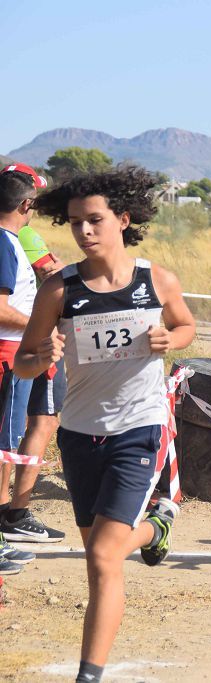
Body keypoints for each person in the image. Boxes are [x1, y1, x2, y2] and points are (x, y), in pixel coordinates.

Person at [19, 165, 196, 683]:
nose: (84, 232)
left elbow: (185, 324)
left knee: (100, 555)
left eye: (94, 220)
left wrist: (172, 339)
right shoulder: (59, 289)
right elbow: (23, 362)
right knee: (102, 558)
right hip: (79, 433)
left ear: (123, 219)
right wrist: (42, 355)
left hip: (139, 429)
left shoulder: (154, 280)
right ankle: (157, 527)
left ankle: (88, 675)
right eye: (75, 223)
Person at [0, 218, 69, 546]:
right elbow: (52, 272)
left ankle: (13, 512)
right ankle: (13, 513)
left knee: (29, 425)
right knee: (35, 425)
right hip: (34, 344)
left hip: (27, 343)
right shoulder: (19, 234)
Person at [0, 164, 50, 574]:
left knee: (6, 444)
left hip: (15, 351)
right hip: (7, 352)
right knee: (3, 445)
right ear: (26, 204)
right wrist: (40, 324)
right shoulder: (4, 242)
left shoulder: (10, 241)